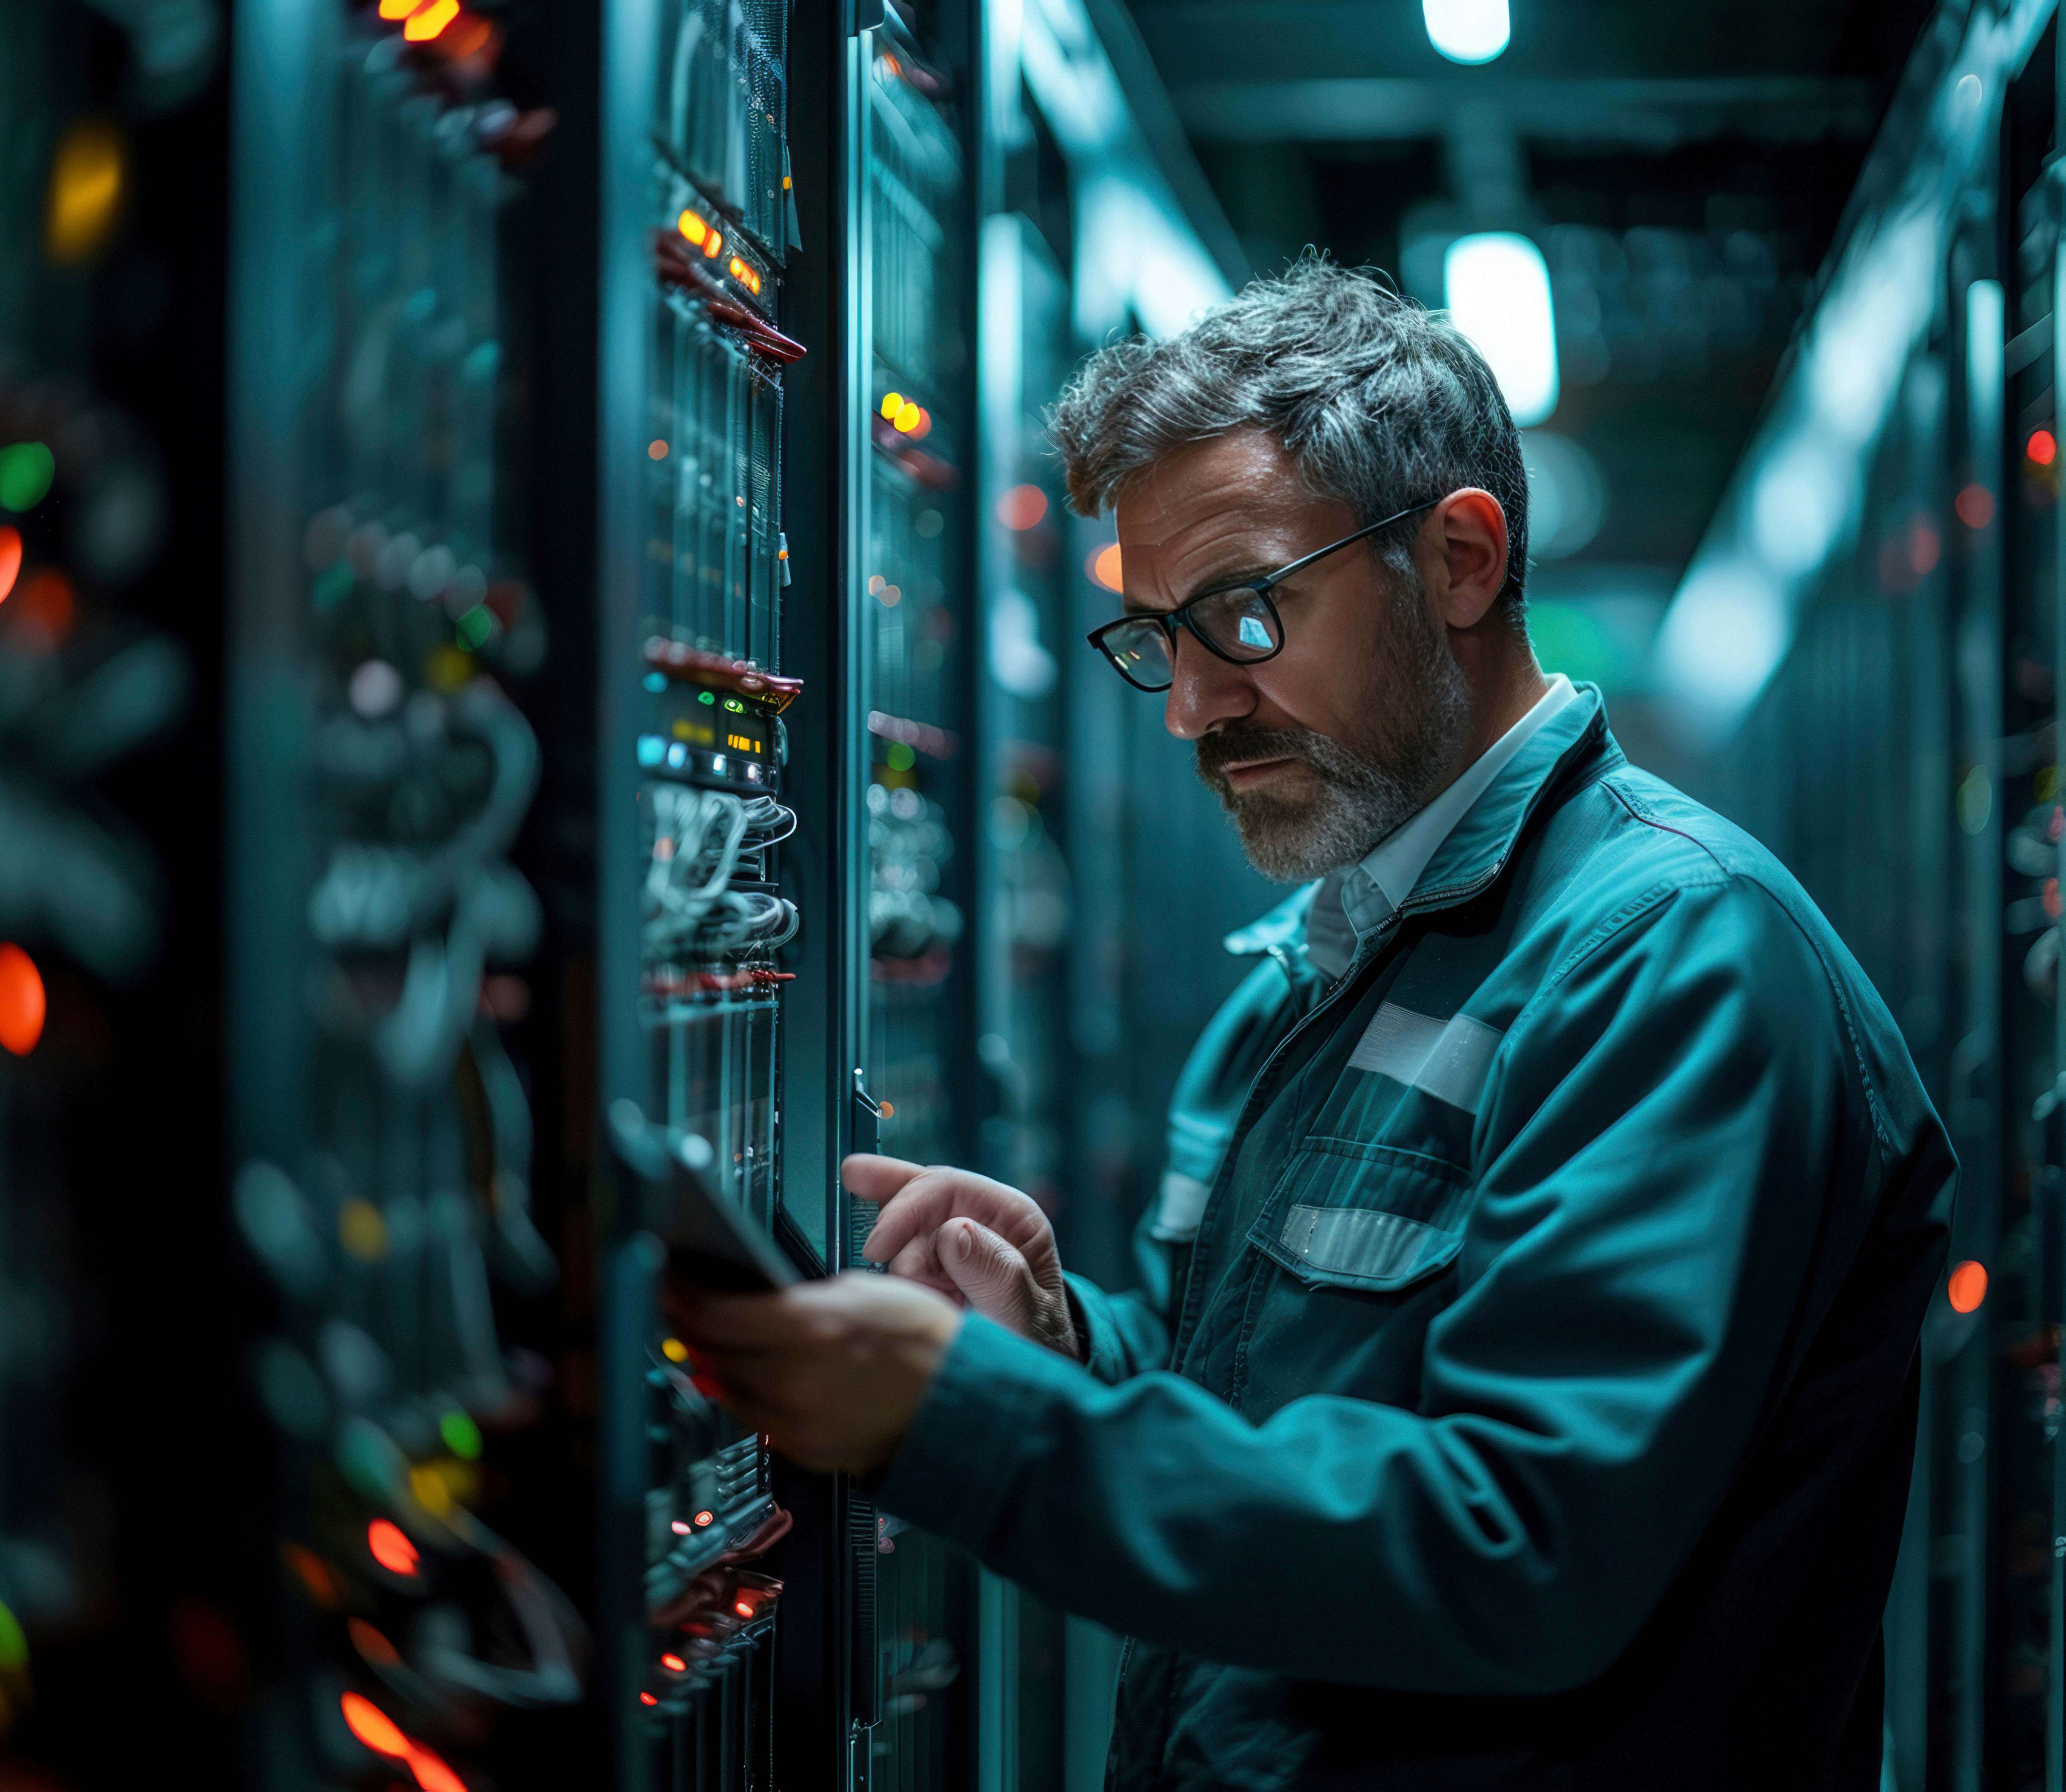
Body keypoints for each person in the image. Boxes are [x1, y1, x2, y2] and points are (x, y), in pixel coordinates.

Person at [664, 257, 1955, 1789]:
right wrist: (1065, 1350)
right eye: (1154, 636)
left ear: (1460, 560)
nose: (1190, 709)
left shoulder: (1673, 958)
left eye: (1242, 615)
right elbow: (1284, 1417)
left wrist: (975, 1423)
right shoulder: (1316, 963)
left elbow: (1516, 1545)